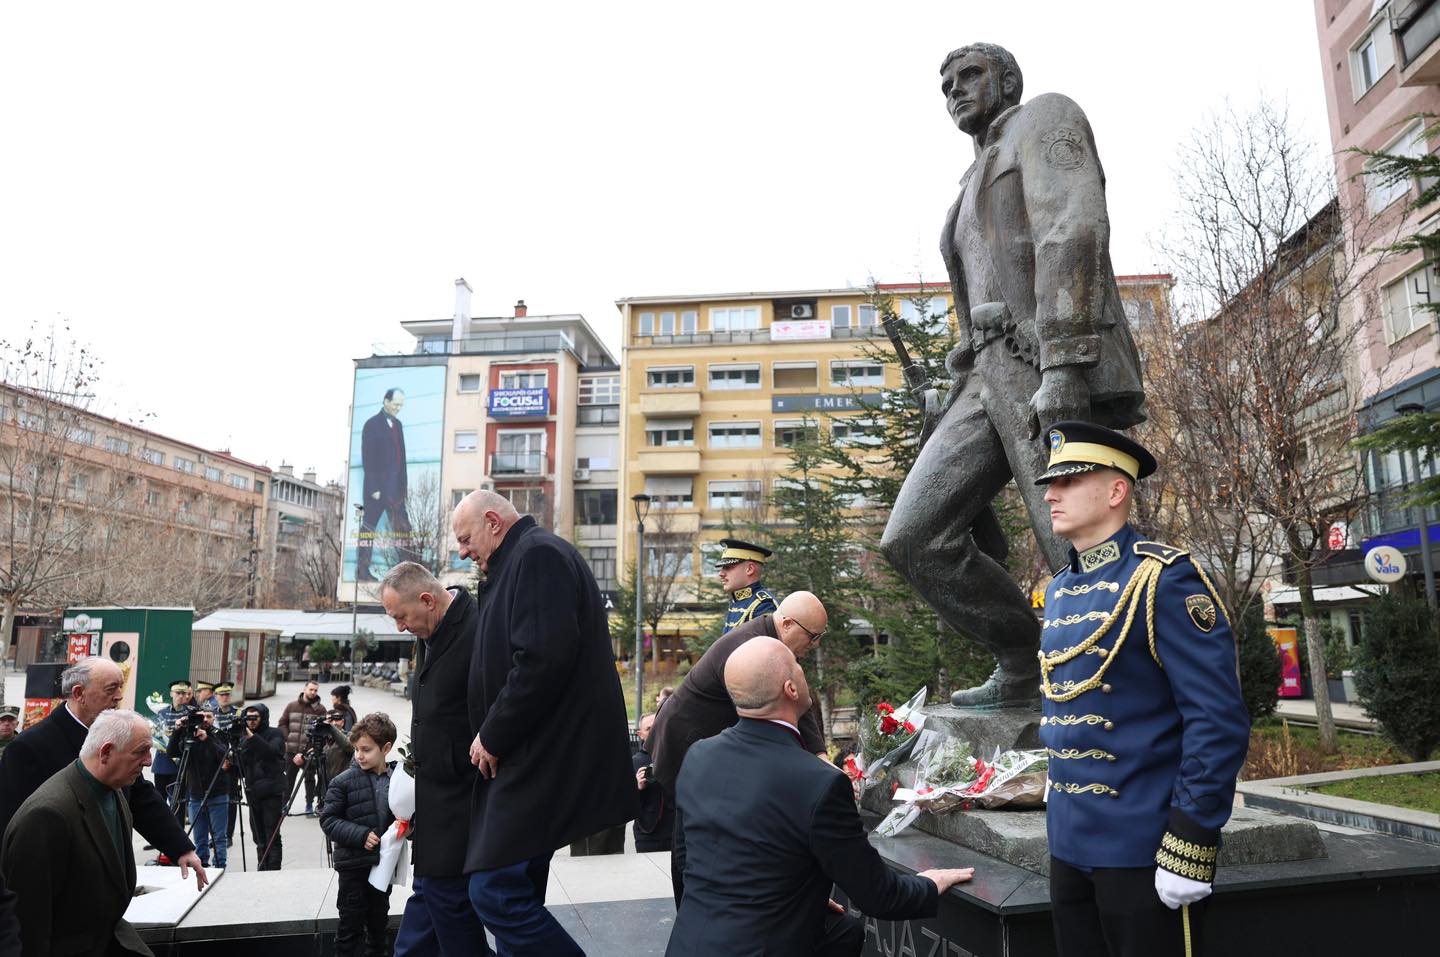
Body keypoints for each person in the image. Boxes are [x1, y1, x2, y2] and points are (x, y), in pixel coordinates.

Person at [879, 42, 1146, 708]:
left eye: (968, 77)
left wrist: (1062, 360)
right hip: (984, 377)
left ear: (1007, 80)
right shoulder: (969, 183)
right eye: (945, 85)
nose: (955, 91)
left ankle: (1127, 694)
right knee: (914, 537)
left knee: (1076, 541)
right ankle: (1025, 659)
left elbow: (1073, 228)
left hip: (1044, 361)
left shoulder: (1045, 119)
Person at [1035, 422, 1250, 957]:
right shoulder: (1059, 588)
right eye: (1049, 482)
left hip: (1144, 850)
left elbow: (1216, 720)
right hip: (1070, 843)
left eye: (1068, 480)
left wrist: (1191, 840)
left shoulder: (1164, 578)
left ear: (1116, 491)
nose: (1050, 493)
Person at [666, 637, 974, 956]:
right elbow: (877, 895)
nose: (803, 670)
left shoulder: (699, 756)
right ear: (792, 689)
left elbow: (685, 861)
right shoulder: (819, 782)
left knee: (844, 932)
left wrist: (798, 890)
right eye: (798, 666)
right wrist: (930, 883)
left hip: (689, 944)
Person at [454, 490, 636, 955]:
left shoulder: (536, 557)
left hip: (541, 755)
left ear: (493, 521)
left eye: (465, 537)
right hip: (531, 753)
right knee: (520, 887)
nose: (462, 550)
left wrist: (494, 732)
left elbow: (542, 659)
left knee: (494, 891)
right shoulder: (519, 559)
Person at [649, 590, 830, 904]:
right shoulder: (751, 646)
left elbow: (799, 698)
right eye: (813, 636)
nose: (816, 645)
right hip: (684, 742)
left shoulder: (775, 642)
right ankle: (691, 911)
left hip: (705, 746)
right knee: (689, 838)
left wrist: (820, 754)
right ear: (787, 624)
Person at [0, 658, 204, 887]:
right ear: (79, 693)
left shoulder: (114, 733)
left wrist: (181, 848)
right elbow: (13, 828)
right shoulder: (30, 748)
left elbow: (140, 797)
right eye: (111, 689)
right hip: (61, 887)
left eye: (120, 687)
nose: (119, 696)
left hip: (111, 884)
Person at [379, 561, 494, 957]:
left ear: (427, 600)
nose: (399, 627)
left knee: (447, 900)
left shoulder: (480, 627)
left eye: (401, 617)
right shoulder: (428, 628)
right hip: (433, 799)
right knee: (428, 898)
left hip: (465, 796)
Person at [2, 709, 168, 957]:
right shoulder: (47, 815)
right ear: (106, 752)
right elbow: (30, 922)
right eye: (140, 752)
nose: (148, 761)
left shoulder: (114, 789)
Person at [320, 713, 400, 957]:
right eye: (356, 749)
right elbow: (328, 819)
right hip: (353, 867)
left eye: (366, 749)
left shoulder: (398, 779)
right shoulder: (343, 781)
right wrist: (360, 835)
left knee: (378, 927)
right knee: (349, 929)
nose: (359, 755)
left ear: (386, 748)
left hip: (382, 867)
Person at [356, 387, 416, 581]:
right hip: (377, 491)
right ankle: (362, 571)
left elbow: (401, 458)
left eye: (401, 405)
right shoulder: (371, 425)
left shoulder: (398, 425)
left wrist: (403, 488)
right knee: (368, 530)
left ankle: (408, 573)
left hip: (396, 490)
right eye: (396, 404)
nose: (398, 408)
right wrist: (374, 488)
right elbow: (368, 457)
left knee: (403, 530)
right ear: (385, 401)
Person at [166, 709, 230, 869]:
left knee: (219, 836)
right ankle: (203, 865)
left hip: (218, 794)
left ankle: (220, 865)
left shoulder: (218, 735)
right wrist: (178, 729)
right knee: (199, 836)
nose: (205, 720)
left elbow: (225, 756)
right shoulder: (188, 735)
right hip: (195, 795)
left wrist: (207, 739)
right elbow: (171, 752)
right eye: (202, 717)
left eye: (209, 716)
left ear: (213, 718)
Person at [237, 703, 286, 870]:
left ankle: (273, 870)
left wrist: (252, 737)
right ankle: (262, 868)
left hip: (271, 794)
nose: (251, 722)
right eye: (248, 718)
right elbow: (242, 769)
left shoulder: (275, 733)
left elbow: (272, 752)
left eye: (254, 718)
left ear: (262, 717)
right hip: (253, 794)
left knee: (272, 835)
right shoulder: (244, 738)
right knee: (258, 838)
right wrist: (230, 767)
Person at [279, 680, 327, 815]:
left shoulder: (320, 709)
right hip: (291, 750)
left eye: (316, 690)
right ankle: (283, 805)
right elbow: (282, 723)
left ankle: (309, 805)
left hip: (310, 752)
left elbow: (322, 731)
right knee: (288, 779)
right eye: (311, 689)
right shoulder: (291, 706)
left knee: (310, 778)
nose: (313, 692)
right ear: (305, 689)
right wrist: (287, 738)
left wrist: (310, 749)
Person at [631, 712, 673, 853]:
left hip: (675, 830)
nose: (654, 731)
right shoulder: (635, 762)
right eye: (649, 729)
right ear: (640, 734)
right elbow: (624, 803)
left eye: (657, 726)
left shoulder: (677, 754)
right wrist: (638, 787)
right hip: (647, 832)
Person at [151, 679, 193, 818]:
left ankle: (178, 834)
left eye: (184, 693)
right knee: (159, 801)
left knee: (178, 804)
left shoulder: (191, 713)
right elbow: (156, 733)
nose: (181, 696)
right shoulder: (162, 712)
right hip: (162, 762)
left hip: (180, 764)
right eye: (178, 693)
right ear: (171, 694)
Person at [715, 538, 778, 630]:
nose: (721, 573)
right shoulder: (737, 601)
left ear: (750, 569)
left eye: (728, 567)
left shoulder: (763, 605)